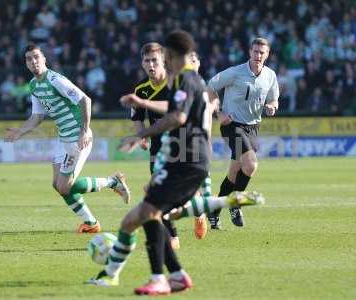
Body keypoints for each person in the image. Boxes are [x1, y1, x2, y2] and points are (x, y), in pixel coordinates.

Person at [87, 30, 264, 295]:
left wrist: (141, 135)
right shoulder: (187, 80)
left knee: (146, 213)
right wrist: (143, 102)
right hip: (186, 160)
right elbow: (173, 106)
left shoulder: (186, 80)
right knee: (146, 216)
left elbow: (178, 117)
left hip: (184, 161)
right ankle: (172, 272)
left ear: (171, 55)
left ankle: (156, 277)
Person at [5, 43, 131, 233]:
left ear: (44, 59)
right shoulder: (33, 85)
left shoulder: (55, 80)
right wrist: (20, 131)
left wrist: (83, 131)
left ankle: (112, 183)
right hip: (63, 138)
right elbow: (37, 116)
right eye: (29, 59)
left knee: (65, 186)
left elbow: (85, 100)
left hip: (77, 138)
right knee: (57, 185)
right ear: (26, 63)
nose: (33, 61)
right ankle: (91, 223)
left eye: (36, 57)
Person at [207, 37, 279, 229]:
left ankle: (214, 210)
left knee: (234, 172)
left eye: (262, 52)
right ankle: (236, 204)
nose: (258, 55)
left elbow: (274, 100)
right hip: (232, 125)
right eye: (255, 51)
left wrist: (272, 107)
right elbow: (210, 86)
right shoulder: (236, 72)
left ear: (267, 54)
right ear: (249, 52)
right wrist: (219, 112)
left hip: (253, 127)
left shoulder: (270, 76)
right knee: (251, 165)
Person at [123, 42, 181, 249]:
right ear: (142, 63)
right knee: (155, 192)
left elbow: (179, 111)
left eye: (154, 60)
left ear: (163, 61)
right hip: (158, 148)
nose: (151, 65)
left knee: (170, 192)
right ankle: (172, 236)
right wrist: (142, 136)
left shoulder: (176, 83)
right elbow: (137, 117)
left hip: (183, 143)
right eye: (147, 61)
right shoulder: (141, 89)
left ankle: (199, 210)